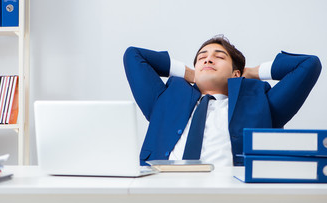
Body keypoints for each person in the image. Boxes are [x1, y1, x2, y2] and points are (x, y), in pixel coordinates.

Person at [123, 35, 322, 167]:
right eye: (202, 58)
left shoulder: (262, 101)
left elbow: (309, 64)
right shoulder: (165, 98)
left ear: (236, 73)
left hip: (236, 197)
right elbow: (133, 55)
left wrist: (250, 72)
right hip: (163, 190)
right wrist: (190, 73)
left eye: (218, 57)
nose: (208, 60)